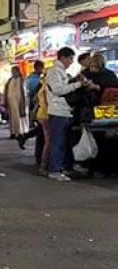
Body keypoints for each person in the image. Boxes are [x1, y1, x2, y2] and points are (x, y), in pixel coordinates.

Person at [46, 47, 98, 182]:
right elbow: (58, 90)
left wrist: (76, 80)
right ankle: (55, 170)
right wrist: (77, 85)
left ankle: (64, 167)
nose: (71, 62)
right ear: (63, 57)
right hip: (58, 111)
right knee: (57, 142)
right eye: (70, 59)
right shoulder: (54, 72)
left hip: (66, 111)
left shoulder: (63, 72)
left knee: (65, 142)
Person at [4, 66, 28, 139]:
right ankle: (13, 133)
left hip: (20, 103)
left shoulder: (22, 80)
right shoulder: (9, 80)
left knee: (20, 118)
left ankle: (20, 133)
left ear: (18, 71)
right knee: (12, 118)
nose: (13, 73)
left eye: (15, 71)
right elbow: (6, 90)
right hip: (11, 103)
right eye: (12, 71)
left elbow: (25, 92)